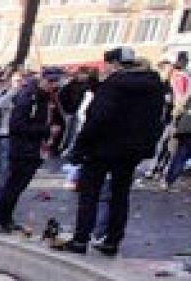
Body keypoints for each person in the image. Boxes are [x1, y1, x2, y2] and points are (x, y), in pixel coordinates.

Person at [54, 47, 168, 255]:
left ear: (114, 64)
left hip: (102, 148)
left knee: (90, 193)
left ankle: (81, 239)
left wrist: (80, 146)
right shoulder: (154, 85)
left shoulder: (113, 84)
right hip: (132, 150)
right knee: (120, 194)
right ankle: (112, 240)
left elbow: (98, 118)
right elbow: (157, 119)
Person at [0, 71, 59, 233]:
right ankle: (1, 219)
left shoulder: (42, 97)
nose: (54, 85)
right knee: (14, 185)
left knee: (17, 186)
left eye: (56, 82)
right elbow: (17, 125)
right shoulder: (29, 97)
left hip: (32, 148)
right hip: (23, 148)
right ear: (42, 80)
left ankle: (5, 219)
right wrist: (46, 130)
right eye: (51, 81)